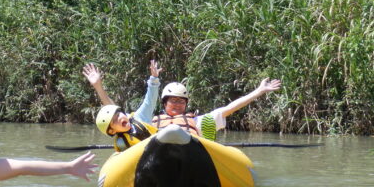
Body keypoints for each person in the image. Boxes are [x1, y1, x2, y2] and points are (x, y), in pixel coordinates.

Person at [152, 78, 282, 140]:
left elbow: (229, 108)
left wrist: (259, 91)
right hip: (157, 152)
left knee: (209, 120)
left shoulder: (197, 121)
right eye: (173, 101)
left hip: (190, 153)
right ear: (164, 103)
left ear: (186, 105)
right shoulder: (151, 122)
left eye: (181, 101)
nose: (177, 104)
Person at [82, 60, 161, 151]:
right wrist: (97, 86)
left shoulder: (140, 117)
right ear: (112, 131)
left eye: (119, 115)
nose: (119, 118)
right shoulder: (121, 143)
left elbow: (150, 100)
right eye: (114, 121)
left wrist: (154, 78)